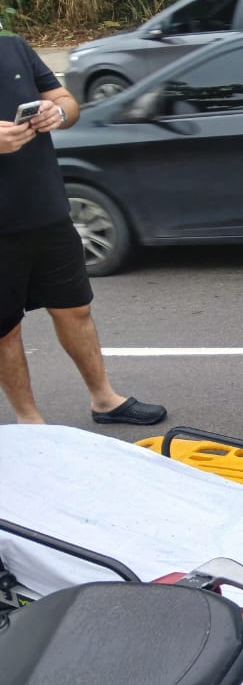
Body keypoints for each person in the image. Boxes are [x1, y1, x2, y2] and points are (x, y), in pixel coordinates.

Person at [0, 32, 166, 426]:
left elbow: (67, 102)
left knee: (75, 308)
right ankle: (30, 421)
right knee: (5, 330)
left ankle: (105, 400)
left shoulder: (14, 47)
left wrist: (56, 113)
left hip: (47, 211)